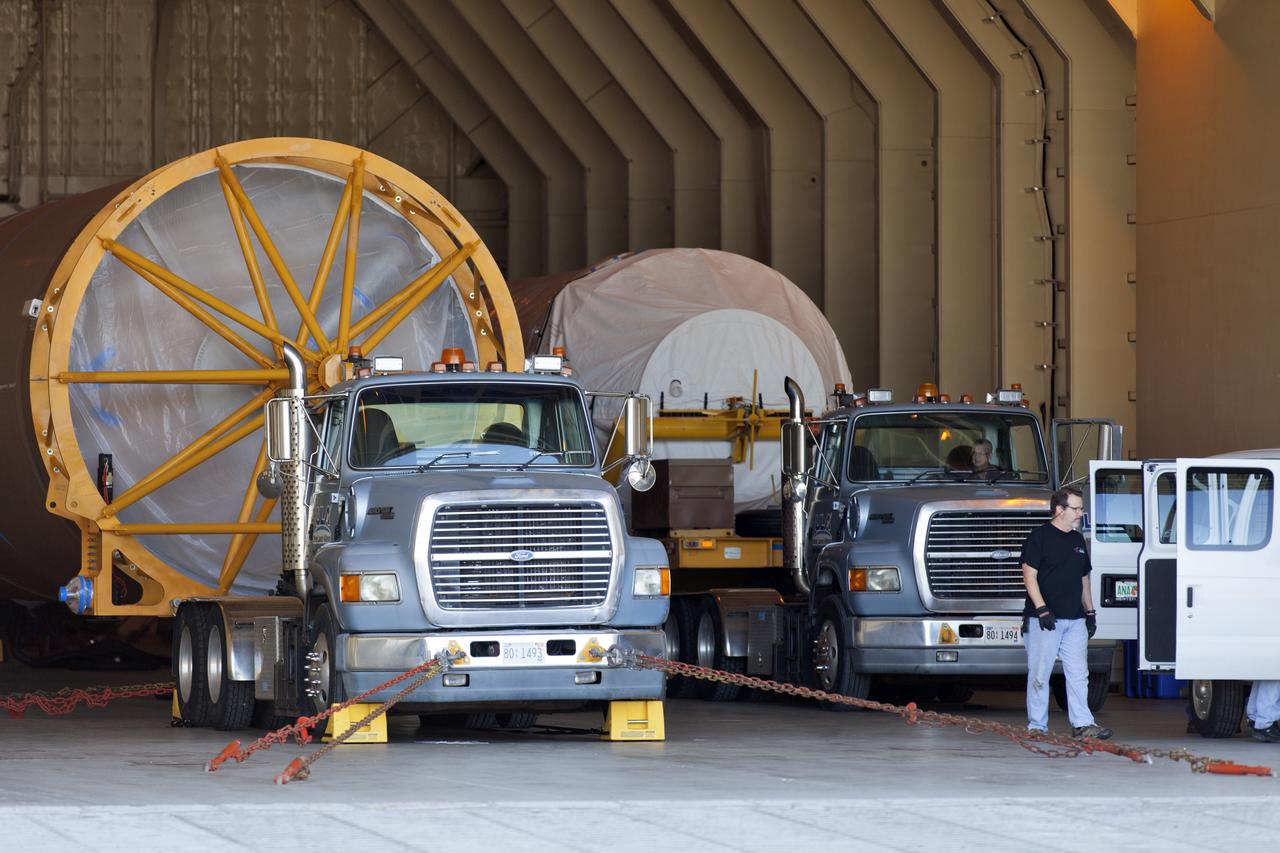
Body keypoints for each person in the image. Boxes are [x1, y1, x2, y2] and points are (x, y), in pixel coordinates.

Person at [1020, 486, 1112, 739]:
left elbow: (1084, 579)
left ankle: (1082, 723)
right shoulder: (1039, 537)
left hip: (1075, 619)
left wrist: (1090, 612)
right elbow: (1029, 574)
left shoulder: (1076, 539)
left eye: (1081, 508)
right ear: (1059, 510)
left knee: (1078, 674)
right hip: (1045, 619)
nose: (1081, 513)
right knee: (1040, 674)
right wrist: (1041, 609)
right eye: (1077, 508)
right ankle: (1037, 727)